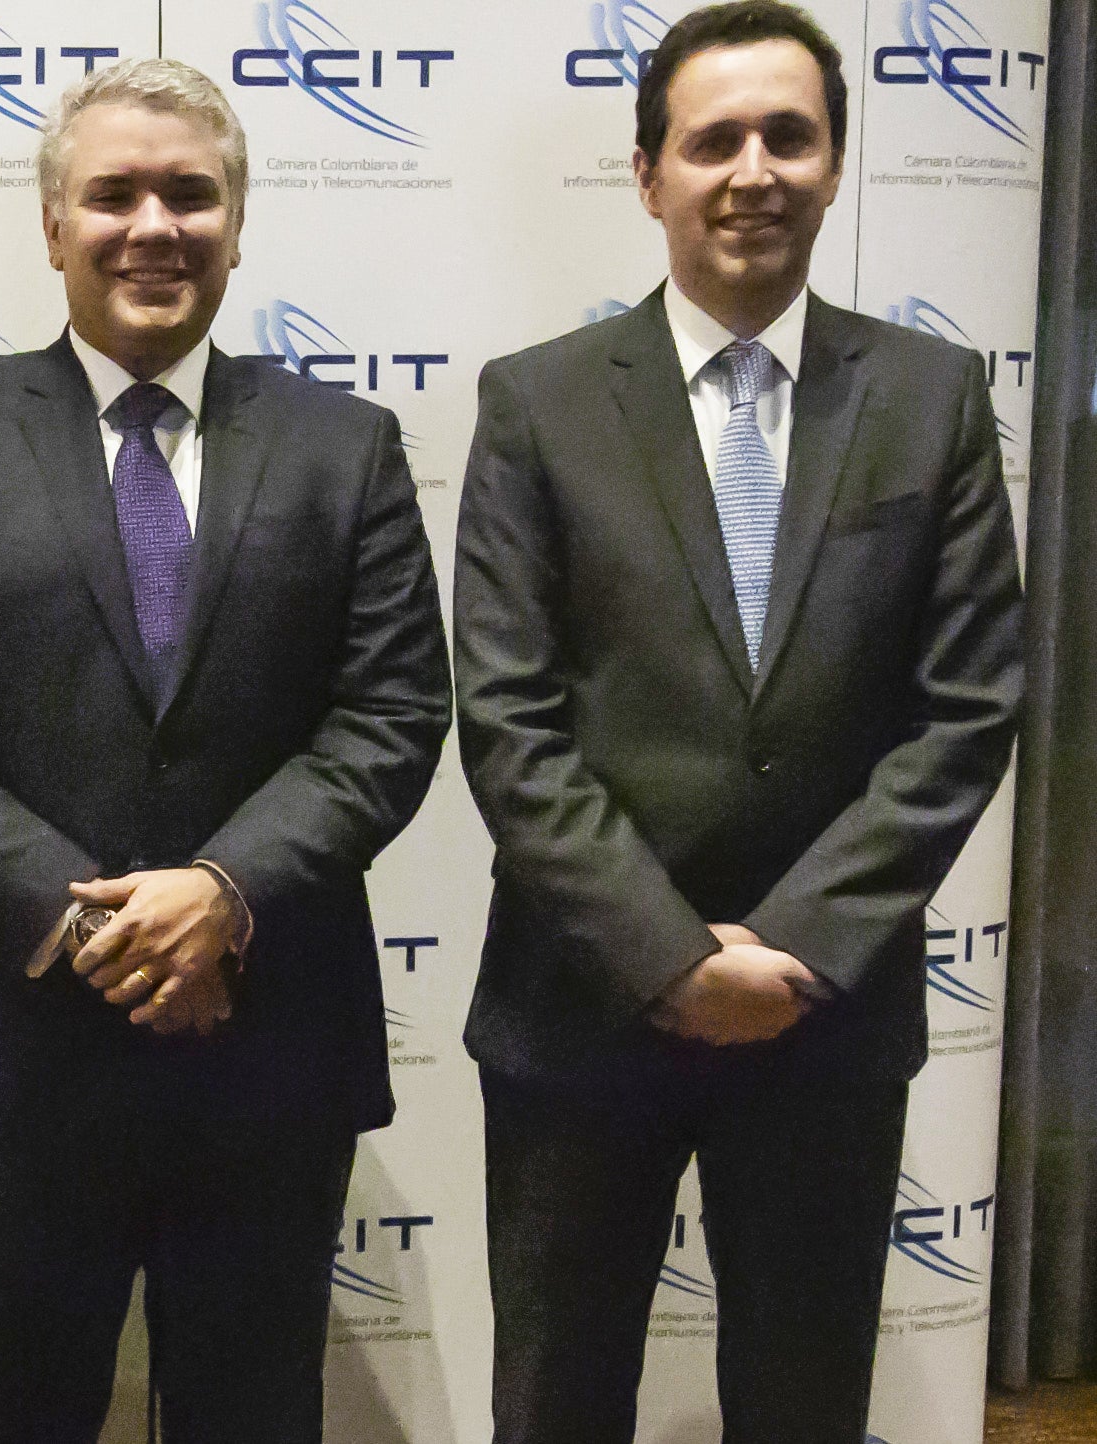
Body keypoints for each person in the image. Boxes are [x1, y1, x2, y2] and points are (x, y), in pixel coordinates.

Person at [0, 57, 450, 1444]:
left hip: (265, 1044)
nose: (152, 226)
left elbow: (393, 714)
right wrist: (93, 925)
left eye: (189, 194)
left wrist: (223, 893)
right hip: (8, 1054)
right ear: (53, 225)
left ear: (237, 221)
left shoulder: (344, 446)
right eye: (112, 195)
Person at [450, 4, 1024, 1439]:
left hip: (822, 1016)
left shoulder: (930, 397)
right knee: (555, 1404)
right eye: (712, 142)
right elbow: (508, 718)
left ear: (833, 166)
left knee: (801, 1405)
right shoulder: (536, 403)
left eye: (787, 136)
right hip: (578, 1006)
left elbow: (963, 709)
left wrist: (793, 948)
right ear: (648, 176)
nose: (751, 171)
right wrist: (667, 956)